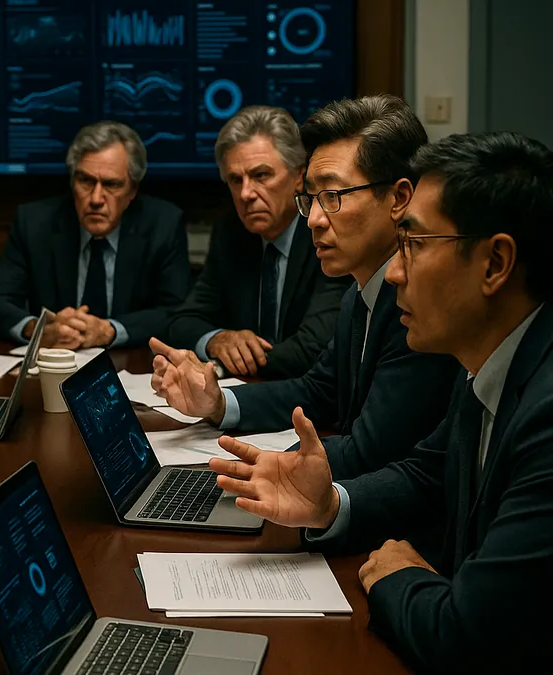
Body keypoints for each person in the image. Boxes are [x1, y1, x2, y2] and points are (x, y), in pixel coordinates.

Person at [208, 131, 553, 673]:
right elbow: (427, 473)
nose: (394, 271)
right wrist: (329, 506)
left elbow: (465, 636)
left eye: (413, 244)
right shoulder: (488, 362)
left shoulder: (547, 413)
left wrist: (398, 575)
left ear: (494, 263)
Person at [150, 95, 460, 480]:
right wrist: (217, 403)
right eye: (311, 198)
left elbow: (372, 451)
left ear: (399, 198)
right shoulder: (360, 293)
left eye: (332, 197)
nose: (313, 218)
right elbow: (316, 392)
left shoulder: (422, 304)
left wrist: (256, 465)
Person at [167, 106, 351, 379]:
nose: (246, 194)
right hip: (250, 391)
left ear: (299, 177)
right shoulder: (231, 232)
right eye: (235, 179)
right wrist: (217, 340)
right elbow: (182, 322)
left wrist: (220, 365)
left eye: (261, 175)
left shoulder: (327, 232)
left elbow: (310, 350)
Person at [0, 121, 190, 349]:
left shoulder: (163, 225)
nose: (96, 199)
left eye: (111, 184)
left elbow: (176, 312)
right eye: (86, 181)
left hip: (130, 363)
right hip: (55, 359)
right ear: (72, 182)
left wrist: (110, 331)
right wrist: (38, 330)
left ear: (132, 190)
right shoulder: (34, 223)